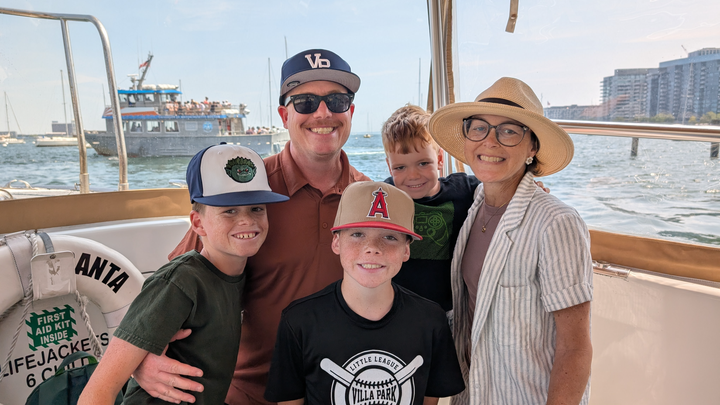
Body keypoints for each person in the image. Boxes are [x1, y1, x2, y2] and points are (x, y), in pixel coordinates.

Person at [132, 49, 370, 405]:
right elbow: (174, 282)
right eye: (305, 102)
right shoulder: (244, 187)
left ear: (350, 111)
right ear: (284, 115)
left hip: (346, 388)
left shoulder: (371, 199)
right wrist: (143, 359)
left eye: (337, 100)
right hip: (249, 393)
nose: (323, 113)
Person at [78, 144, 289, 405]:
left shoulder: (238, 276)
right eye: (229, 211)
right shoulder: (179, 283)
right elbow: (99, 389)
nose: (247, 220)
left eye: (257, 208)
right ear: (198, 223)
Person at [428, 77, 593, 405]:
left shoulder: (556, 223)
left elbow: (574, 348)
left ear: (532, 148)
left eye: (509, 131)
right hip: (473, 393)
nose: (490, 141)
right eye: (479, 128)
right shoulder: (471, 206)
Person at [264, 181, 465, 404]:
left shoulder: (431, 320)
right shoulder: (299, 321)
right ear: (336, 242)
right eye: (358, 234)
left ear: (406, 250)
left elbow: (430, 398)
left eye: (390, 237)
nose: (372, 248)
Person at [381, 104, 480, 313]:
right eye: (400, 167)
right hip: (399, 310)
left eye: (423, 163)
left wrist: (530, 188)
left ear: (440, 159)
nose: (413, 175)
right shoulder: (384, 197)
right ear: (389, 167)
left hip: (451, 311)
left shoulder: (464, 189)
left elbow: (501, 187)